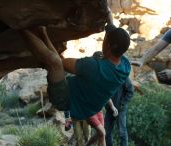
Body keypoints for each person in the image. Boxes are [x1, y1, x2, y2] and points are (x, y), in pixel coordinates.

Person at [20, 7, 131, 146]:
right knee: (57, 61)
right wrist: (108, 16)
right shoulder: (125, 66)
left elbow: (61, 63)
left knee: (54, 63)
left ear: (107, 44)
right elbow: (117, 38)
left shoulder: (94, 67)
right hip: (85, 106)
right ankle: (42, 33)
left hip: (65, 99)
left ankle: (20, 28)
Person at [105, 78, 134, 146]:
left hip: (120, 110)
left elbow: (130, 92)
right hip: (109, 109)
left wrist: (121, 104)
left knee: (122, 132)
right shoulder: (108, 74)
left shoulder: (123, 76)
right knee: (106, 132)